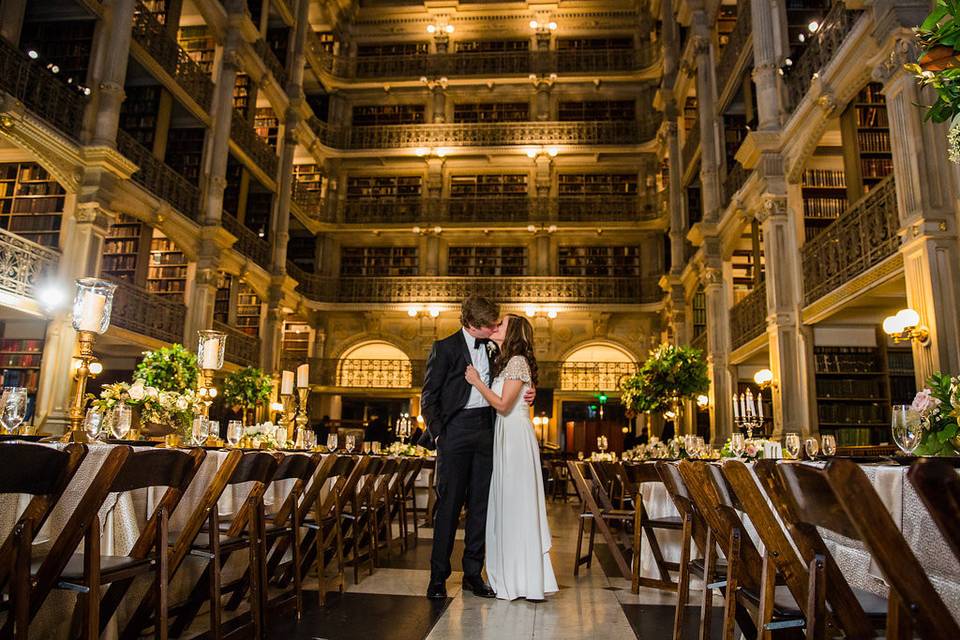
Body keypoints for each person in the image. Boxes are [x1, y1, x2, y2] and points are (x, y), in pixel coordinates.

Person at [420, 296, 534, 600]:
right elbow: (428, 398)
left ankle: (472, 574)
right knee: (448, 507)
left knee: (481, 508)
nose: (495, 328)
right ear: (471, 325)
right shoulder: (443, 348)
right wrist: (441, 436)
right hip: (454, 433)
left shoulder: (495, 347)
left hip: (487, 431)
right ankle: (437, 578)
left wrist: (528, 390)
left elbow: (516, 372)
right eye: (489, 325)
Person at [464, 314, 558, 601]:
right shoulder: (506, 359)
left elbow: (504, 406)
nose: (495, 326)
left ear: (513, 331)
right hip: (507, 434)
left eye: (501, 324)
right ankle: (516, 576)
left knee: (516, 505)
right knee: (510, 505)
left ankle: (522, 578)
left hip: (515, 435)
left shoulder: (517, 360)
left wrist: (477, 382)